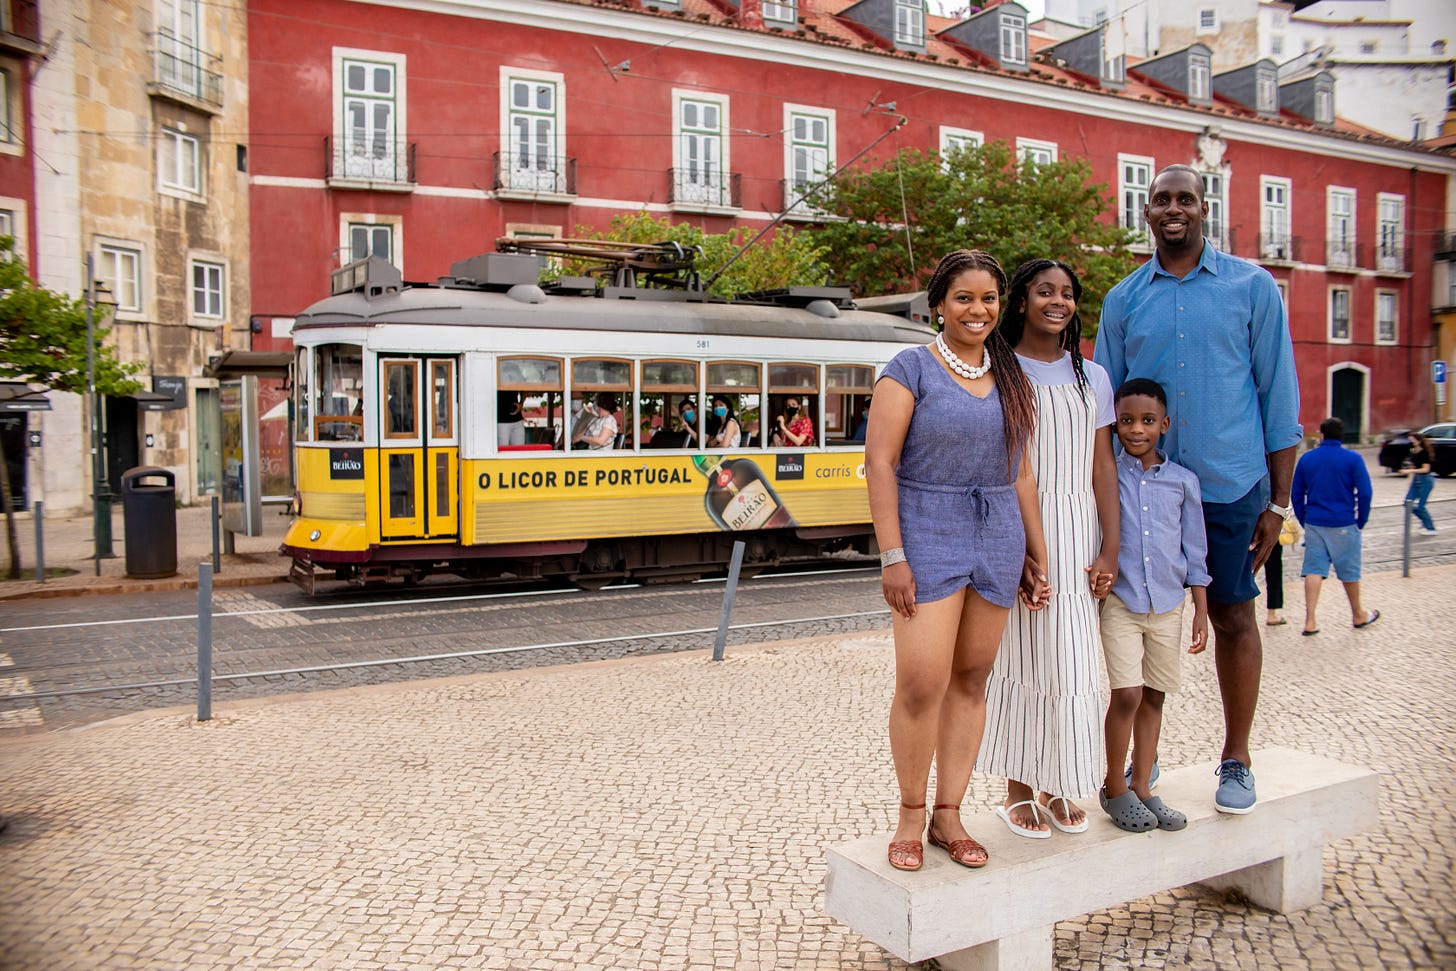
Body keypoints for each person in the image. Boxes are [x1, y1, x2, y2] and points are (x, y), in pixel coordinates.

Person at [1095, 163, 1301, 815]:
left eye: (1185, 198)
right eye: (1161, 200)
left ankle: (1236, 758)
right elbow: (1105, 405)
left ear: (1204, 208)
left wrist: (1277, 501)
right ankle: (1141, 756)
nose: (1173, 208)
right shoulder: (1124, 300)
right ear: (1147, 212)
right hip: (1142, 494)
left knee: (1237, 616)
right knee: (1143, 618)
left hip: (1231, 487)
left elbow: (1281, 397)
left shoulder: (1253, 287)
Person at [866, 249, 1049, 871]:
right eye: (964, 298)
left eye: (989, 298)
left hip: (997, 533)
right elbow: (881, 465)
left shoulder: (1012, 376)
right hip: (926, 529)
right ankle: (910, 815)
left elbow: (1020, 470)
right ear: (939, 304)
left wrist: (1035, 549)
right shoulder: (909, 368)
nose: (978, 310)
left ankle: (950, 814)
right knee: (922, 681)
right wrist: (893, 555)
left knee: (973, 679)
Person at [975, 258, 1119, 839]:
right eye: (1043, 291)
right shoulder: (1000, 369)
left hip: (1080, 528)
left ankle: (1060, 780)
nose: (1056, 302)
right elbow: (1005, 462)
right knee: (1023, 655)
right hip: (1021, 524)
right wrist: (1020, 548)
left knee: (1075, 661)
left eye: (1066, 294)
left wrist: (1111, 548)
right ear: (1021, 301)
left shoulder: (1095, 377)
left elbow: (1103, 465)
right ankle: (1017, 788)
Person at [1099, 378, 1210, 831]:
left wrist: (1201, 609)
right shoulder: (1106, 473)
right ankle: (1114, 787)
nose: (1136, 430)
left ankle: (1143, 785)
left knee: (1154, 695)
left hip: (1168, 605)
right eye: (1126, 421)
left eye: (1147, 421)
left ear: (1164, 425)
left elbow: (1195, 550)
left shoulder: (1183, 483)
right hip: (1122, 603)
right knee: (1126, 693)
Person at [1292, 417, 1376, 635]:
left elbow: (1296, 494)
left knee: (1313, 569)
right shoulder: (1353, 459)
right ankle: (1358, 614)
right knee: (1349, 572)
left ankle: (1310, 621)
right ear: (1342, 436)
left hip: (1315, 522)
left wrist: (1304, 519)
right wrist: (1361, 521)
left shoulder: (1307, 459)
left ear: (1322, 435)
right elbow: (1365, 493)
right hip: (1344, 521)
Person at [1402, 431, 1438, 535]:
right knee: (1407, 503)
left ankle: (1431, 528)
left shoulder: (1424, 452)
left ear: (1419, 440)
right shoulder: (1413, 451)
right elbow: (1414, 465)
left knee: (1421, 506)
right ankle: (1424, 520)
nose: (1411, 442)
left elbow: (1426, 469)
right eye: (1410, 440)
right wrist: (1409, 469)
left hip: (1425, 480)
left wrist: (1409, 471)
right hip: (1416, 480)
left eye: (1413, 440)